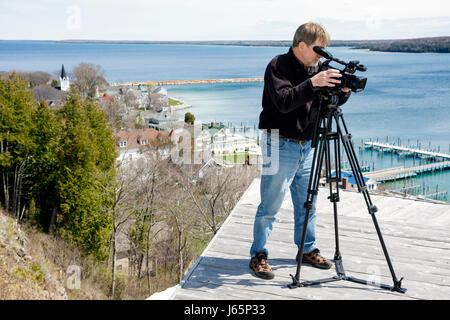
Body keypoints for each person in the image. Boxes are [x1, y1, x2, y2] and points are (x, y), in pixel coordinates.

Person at [249, 22, 352, 280]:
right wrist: (313, 83)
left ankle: (306, 250)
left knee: (308, 204)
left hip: (307, 145)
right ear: (302, 45)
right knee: (270, 205)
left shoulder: (317, 69)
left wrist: (344, 92)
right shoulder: (278, 65)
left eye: (325, 49)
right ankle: (258, 255)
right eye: (319, 49)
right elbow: (284, 102)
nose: (322, 54)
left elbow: (328, 103)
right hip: (278, 142)